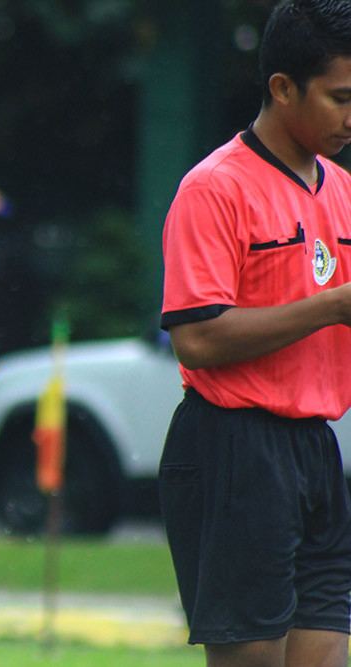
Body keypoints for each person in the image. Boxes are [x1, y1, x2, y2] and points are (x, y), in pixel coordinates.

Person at [159, 2, 351, 665]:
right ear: (282, 87)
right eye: (340, 98)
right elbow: (198, 339)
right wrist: (331, 306)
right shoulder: (213, 188)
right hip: (234, 448)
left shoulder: (344, 190)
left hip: (318, 450)